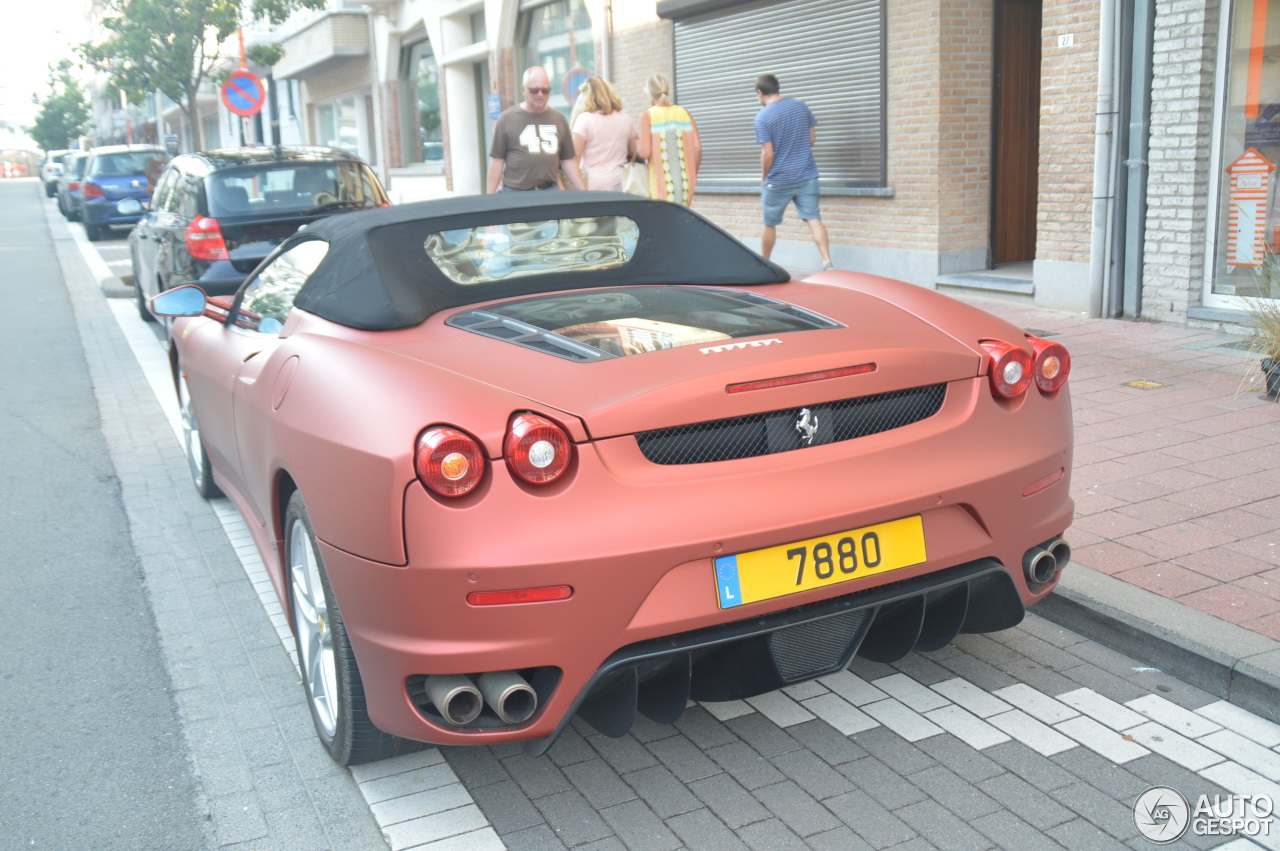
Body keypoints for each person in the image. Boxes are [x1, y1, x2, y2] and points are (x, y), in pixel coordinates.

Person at [753, 74, 833, 270]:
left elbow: (768, 154)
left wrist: (764, 176)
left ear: (760, 93)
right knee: (813, 218)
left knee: (769, 223)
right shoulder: (801, 106)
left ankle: (765, 264)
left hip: (778, 180)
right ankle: (826, 261)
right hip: (807, 175)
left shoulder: (762, 117)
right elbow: (812, 139)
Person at [487, 66, 585, 193]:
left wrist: (583, 191)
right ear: (524, 89)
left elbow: (567, 160)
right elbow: (497, 161)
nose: (540, 94)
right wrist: (489, 197)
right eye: (534, 90)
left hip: (550, 190)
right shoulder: (507, 119)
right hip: (516, 193)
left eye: (545, 90)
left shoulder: (558, 119)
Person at [637, 73, 701, 205]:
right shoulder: (684, 113)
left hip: (661, 184)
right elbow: (698, 148)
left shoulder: (648, 116)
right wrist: (692, 173)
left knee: (663, 223)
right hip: (686, 182)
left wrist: (636, 143)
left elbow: (645, 153)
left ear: (649, 93)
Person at [571, 77, 637, 191]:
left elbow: (575, 157)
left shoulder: (585, 119)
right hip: (622, 182)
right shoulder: (625, 118)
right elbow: (635, 151)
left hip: (595, 186)